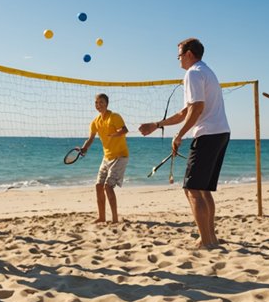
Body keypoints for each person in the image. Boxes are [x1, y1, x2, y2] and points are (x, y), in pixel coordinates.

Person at [138, 38, 229, 249]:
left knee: (192, 190)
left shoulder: (193, 73)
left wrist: (179, 135)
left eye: (179, 55)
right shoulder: (207, 71)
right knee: (203, 190)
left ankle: (206, 241)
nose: (178, 60)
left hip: (208, 134)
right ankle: (210, 237)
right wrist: (157, 124)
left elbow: (197, 108)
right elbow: (185, 112)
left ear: (189, 54)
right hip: (220, 133)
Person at [79, 94, 129, 223]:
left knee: (108, 186)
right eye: (96, 102)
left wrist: (114, 134)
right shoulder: (95, 121)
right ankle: (101, 217)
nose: (98, 105)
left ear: (107, 104)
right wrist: (84, 148)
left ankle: (115, 219)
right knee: (98, 185)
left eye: (101, 102)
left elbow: (124, 130)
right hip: (106, 157)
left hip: (120, 156)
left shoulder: (114, 117)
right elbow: (90, 139)